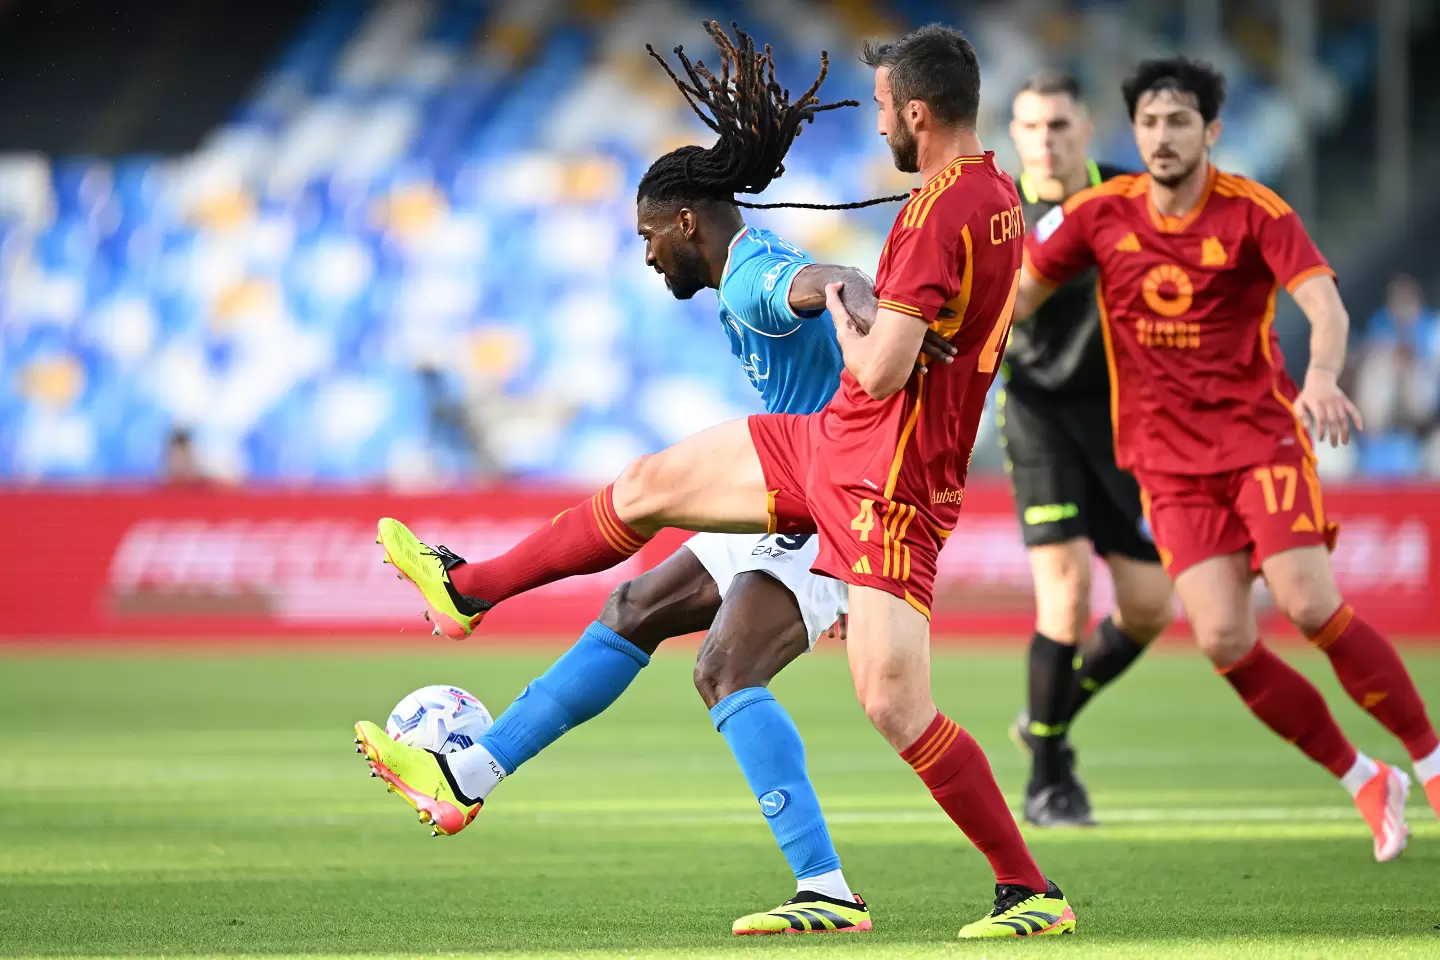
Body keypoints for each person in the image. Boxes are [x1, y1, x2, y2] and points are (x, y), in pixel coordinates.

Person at [358, 23, 1076, 939]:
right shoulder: (983, 195)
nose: (648, 254)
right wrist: (870, 300)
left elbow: (872, 350)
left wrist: (856, 299)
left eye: (887, 109)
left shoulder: (893, 227)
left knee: (837, 689)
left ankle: (953, 887)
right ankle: (470, 657)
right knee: (644, 535)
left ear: (918, 111)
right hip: (834, 447)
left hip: (873, 477)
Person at [1018, 56, 1440, 861]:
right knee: (1221, 640)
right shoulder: (1099, 212)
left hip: (1259, 442)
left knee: (1309, 603)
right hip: (1168, 465)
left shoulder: (1253, 211)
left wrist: (1319, 378)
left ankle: (1431, 759)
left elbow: (1323, 303)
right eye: (1149, 122)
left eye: (1179, 122)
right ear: (1132, 131)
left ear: (1211, 131)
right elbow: (1018, 296)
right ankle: (1364, 778)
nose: (1163, 136)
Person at [1000, 71, 1173, 827]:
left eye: (1060, 125)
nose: (1047, 140)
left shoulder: (1132, 196)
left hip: (1122, 422)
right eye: (1033, 126)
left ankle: (1047, 719)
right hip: (1038, 413)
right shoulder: (1000, 211)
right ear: (1014, 134)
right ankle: (1048, 780)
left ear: (1087, 128)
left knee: (1148, 609)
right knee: (1065, 596)